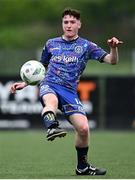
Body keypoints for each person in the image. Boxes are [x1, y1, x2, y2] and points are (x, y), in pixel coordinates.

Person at [10, 8, 123, 176]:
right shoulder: (51, 44)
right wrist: (26, 83)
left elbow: (112, 61)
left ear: (79, 24)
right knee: (51, 103)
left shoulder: (87, 46)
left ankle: (82, 167)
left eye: (72, 22)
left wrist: (113, 48)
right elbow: (41, 68)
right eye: (65, 22)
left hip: (70, 92)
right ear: (62, 24)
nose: (68, 25)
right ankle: (52, 127)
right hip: (50, 84)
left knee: (83, 129)